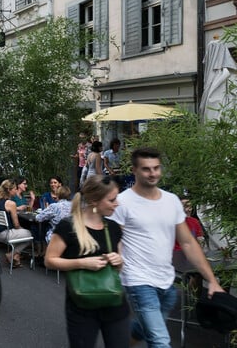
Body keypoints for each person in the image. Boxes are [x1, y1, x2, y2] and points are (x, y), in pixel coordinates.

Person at [109, 147, 223, 347]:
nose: (153, 173)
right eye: (146, 169)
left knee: (144, 328)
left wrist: (211, 280)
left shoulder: (171, 201)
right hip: (137, 280)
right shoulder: (123, 202)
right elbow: (113, 239)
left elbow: (188, 242)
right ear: (134, 170)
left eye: (156, 168)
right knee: (160, 340)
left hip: (166, 281)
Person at [44, 175, 128, 348]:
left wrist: (118, 260)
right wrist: (82, 263)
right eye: (112, 199)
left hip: (114, 303)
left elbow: (119, 268)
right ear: (94, 201)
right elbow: (49, 260)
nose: (116, 203)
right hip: (82, 308)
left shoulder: (113, 228)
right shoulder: (68, 226)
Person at [0, 179, 33, 268]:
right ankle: (11, 254)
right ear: (9, 190)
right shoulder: (11, 203)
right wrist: (23, 230)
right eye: (14, 188)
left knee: (21, 235)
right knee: (30, 235)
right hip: (5, 234)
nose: (15, 190)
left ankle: (16, 257)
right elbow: (16, 225)